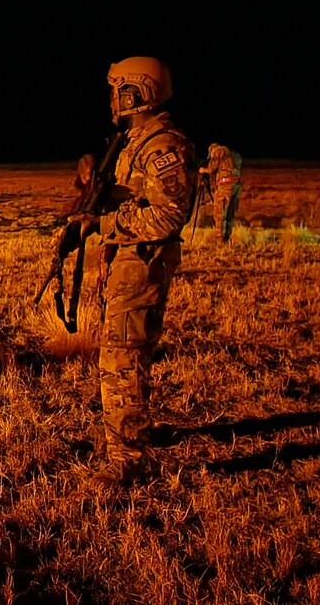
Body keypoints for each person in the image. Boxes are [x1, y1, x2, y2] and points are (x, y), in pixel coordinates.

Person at [66, 56, 198, 487]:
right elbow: (129, 198)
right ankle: (122, 441)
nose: (111, 99)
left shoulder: (163, 146)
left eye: (117, 90)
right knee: (117, 357)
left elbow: (169, 216)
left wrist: (105, 225)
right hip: (125, 263)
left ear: (137, 92)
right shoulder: (132, 142)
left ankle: (129, 462)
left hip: (142, 265)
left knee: (123, 361)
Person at [199, 143, 243, 242]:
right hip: (236, 185)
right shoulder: (234, 155)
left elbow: (211, 169)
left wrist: (202, 170)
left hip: (225, 186)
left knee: (220, 213)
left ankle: (219, 239)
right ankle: (227, 237)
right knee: (230, 213)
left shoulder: (218, 151)